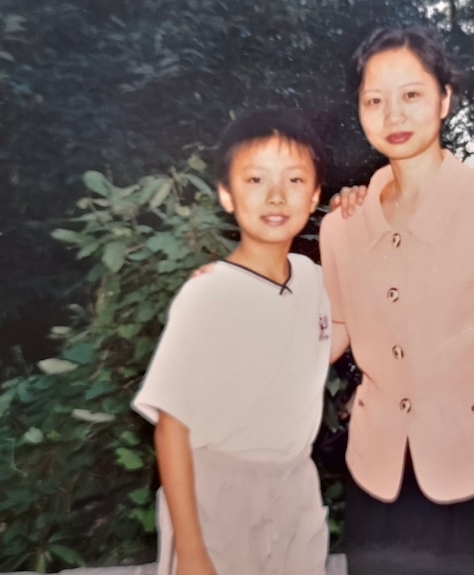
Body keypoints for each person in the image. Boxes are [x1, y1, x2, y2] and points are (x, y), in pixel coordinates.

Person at [320, 27, 474, 574]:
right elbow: (336, 330)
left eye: (412, 95)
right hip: (375, 475)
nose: (393, 115)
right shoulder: (343, 224)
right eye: (374, 100)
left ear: (445, 99)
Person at [131, 108, 332, 575]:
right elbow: (170, 428)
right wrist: (192, 550)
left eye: (295, 181)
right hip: (218, 493)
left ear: (316, 194)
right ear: (226, 193)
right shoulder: (207, 295)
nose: (277, 196)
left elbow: (318, 347)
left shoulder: (313, 279)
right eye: (256, 180)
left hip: (296, 489)